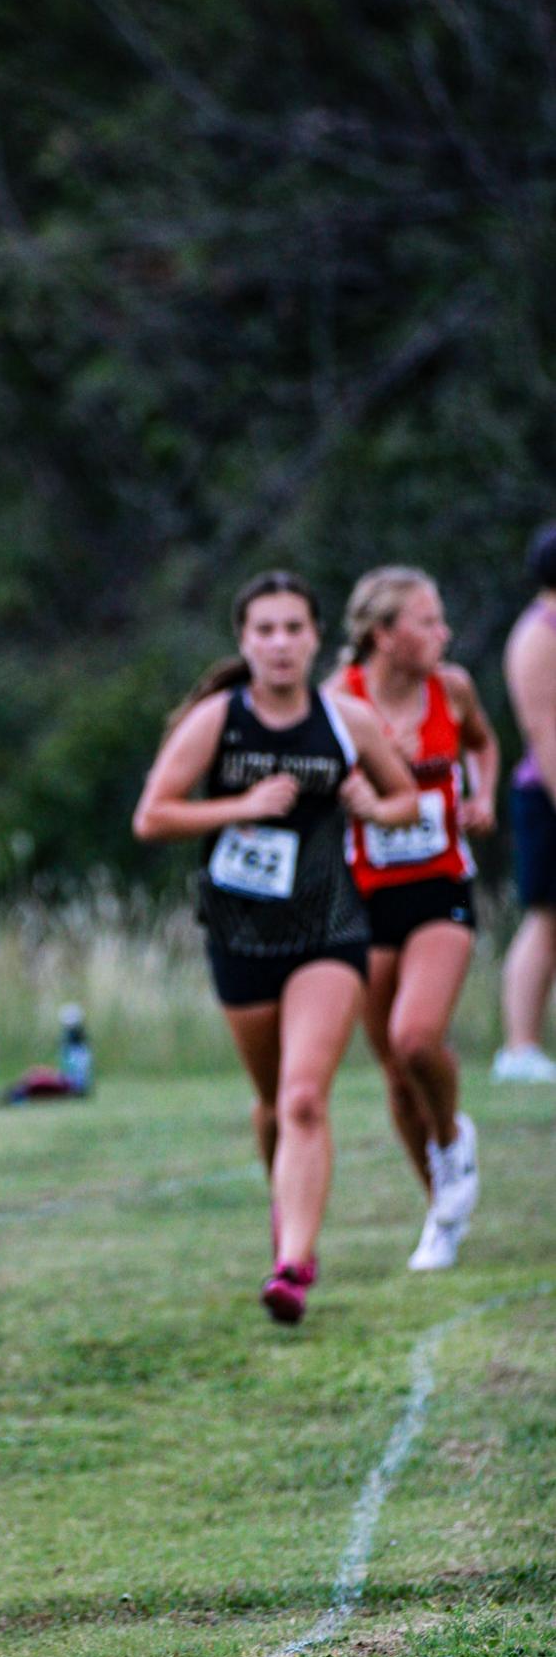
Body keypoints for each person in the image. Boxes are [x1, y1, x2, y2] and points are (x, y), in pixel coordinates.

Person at [133, 572, 417, 1323]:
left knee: (302, 1096)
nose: (281, 642)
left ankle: (294, 1261)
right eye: (266, 629)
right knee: (270, 1101)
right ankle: (286, 1214)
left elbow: (407, 799)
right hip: (240, 934)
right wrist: (242, 806)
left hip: (331, 930)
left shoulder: (345, 717)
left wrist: (374, 805)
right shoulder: (217, 720)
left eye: (295, 627)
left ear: (317, 637)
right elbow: (152, 816)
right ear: (244, 640)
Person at [328, 567, 499, 1269]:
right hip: (365, 897)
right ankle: (442, 1208)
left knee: (416, 1036)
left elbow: (483, 742)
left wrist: (483, 793)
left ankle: (454, 1137)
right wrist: (350, 799)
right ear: (384, 635)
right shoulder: (340, 702)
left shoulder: (451, 688)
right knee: (396, 1072)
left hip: (440, 888)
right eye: (428, 622)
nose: (443, 633)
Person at [493, 522, 556, 1083]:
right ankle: (520, 1049)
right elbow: (546, 731)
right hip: (547, 795)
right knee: (546, 918)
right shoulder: (538, 636)